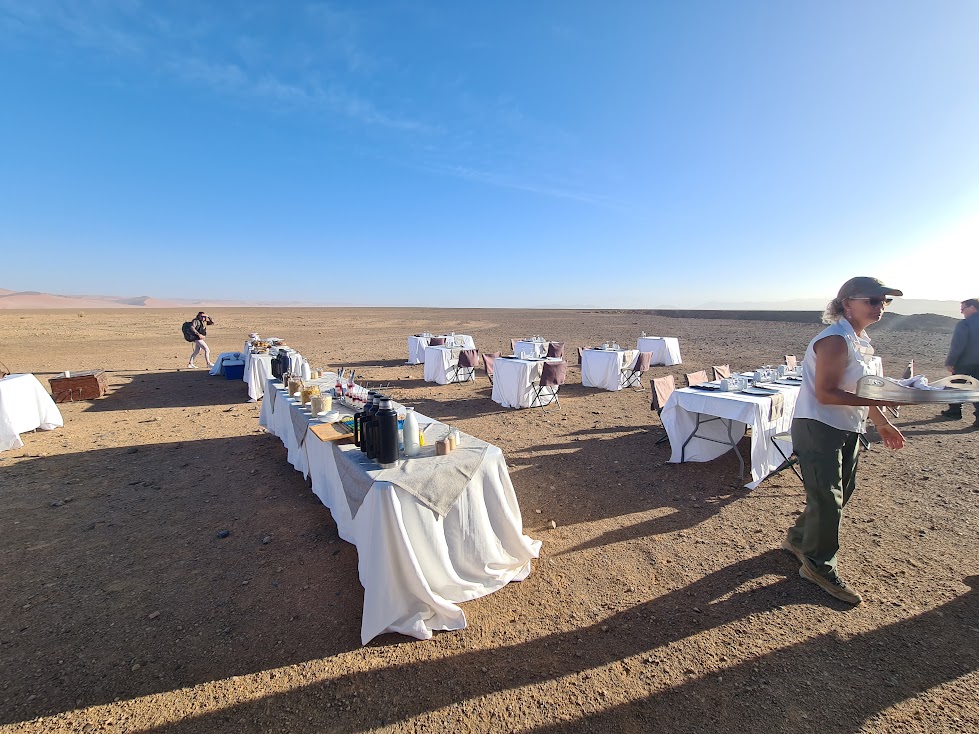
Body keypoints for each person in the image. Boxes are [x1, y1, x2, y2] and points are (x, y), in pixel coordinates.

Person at [782, 277, 906, 605]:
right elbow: (825, 394)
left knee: (841, 492)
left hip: (847, 426)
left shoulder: (858, 340)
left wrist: (881, 421)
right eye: (873, 300)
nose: (881, 307)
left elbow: (861, 390)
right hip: (819, 426)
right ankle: (818, 566)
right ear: (848, 303)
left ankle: (798, 538)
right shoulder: (835, 340)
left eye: (885, 301)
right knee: (828, 498)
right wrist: (885, 400)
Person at [939, 297, 979, 427]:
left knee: (955, 386)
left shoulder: (965, 324)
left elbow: (958, 345)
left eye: (963, 309)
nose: (962, 312)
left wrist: (950, 361)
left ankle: (955, 411)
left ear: (972, 308)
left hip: (965, 363)